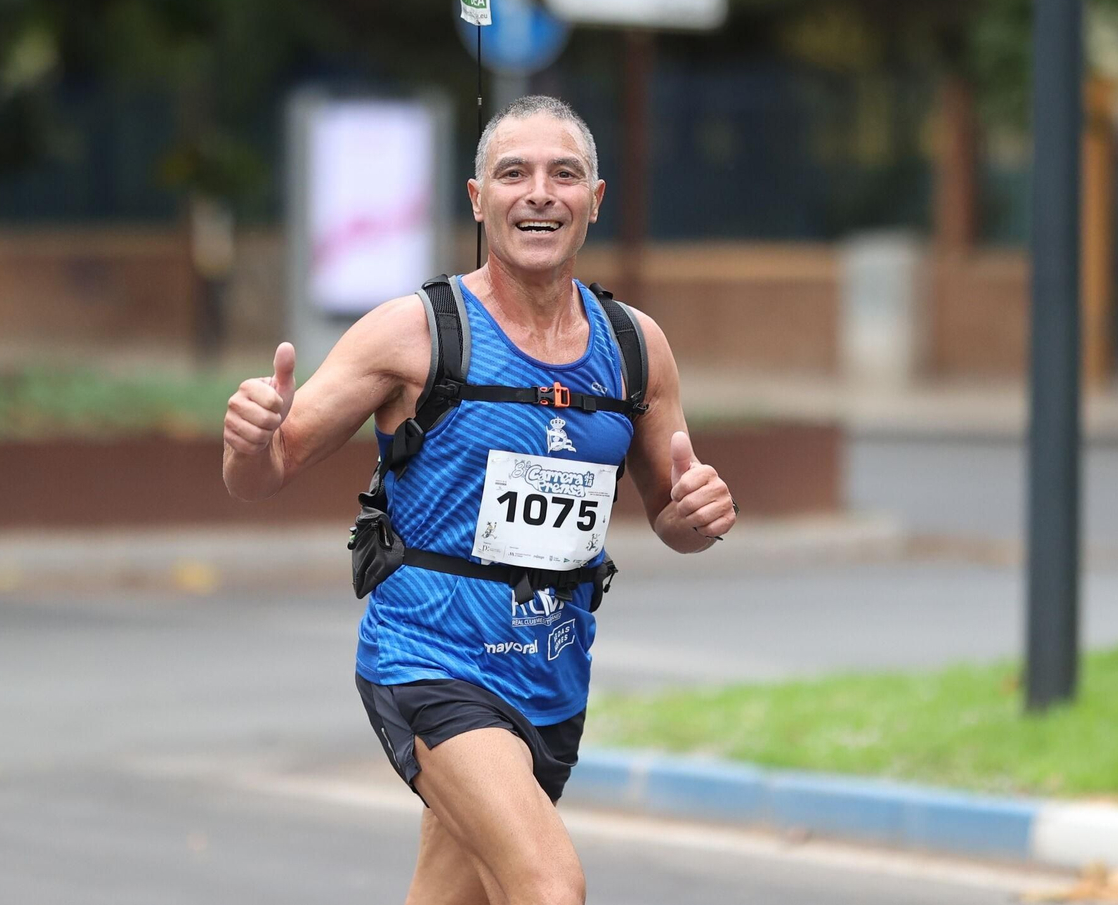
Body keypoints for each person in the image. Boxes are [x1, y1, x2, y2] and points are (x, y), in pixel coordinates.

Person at [222, 95, 736, 905]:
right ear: (476, 199)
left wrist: (697, 516)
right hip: (430, 659)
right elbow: (264, 471)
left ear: (594, 201)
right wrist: (251, 438)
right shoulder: (414, 332)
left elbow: (675, 514)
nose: (539, 192)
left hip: (552, 674)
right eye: (514, 174)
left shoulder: (636, 347)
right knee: (547, 886)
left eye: (564, 174)